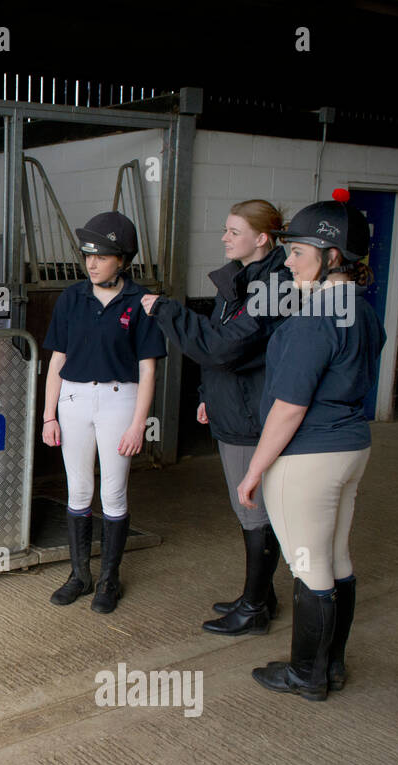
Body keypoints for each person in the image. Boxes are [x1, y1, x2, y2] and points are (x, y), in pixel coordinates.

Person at [234, 191, 384, 701]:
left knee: (308, 563)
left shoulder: (313, 314)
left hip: (310, 453)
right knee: (336, 557)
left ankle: (306, 675)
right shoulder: (361, 310)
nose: (290, 260)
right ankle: (332, 666)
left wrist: (254, 470)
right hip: (352, 446)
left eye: (299, 251)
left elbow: (289, 406)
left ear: (332, 256)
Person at [140, 200, 294, 636]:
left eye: (232, 231)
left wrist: (166, 311)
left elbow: (225, 346)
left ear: (261, 238)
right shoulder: (243, 280)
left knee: (254, 513)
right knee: (247, 508)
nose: (224, 238)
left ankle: (254, 609)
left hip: (252, 415)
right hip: (232, 405)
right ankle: (261, 593)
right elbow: (220, 340)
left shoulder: (274, 286)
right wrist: (207, 392)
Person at [42, 212, 167, 614]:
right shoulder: (71, 298)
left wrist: (138, 425)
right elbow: (57, 360)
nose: (92, 263)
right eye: (87, 256)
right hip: (74, 399)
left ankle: (109, 581)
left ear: (123, 260)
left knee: (113, 491)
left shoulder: (140, 301)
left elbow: (148, 369)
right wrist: (49, 415)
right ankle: (80, 575)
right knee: (78, 489)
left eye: (103, 256)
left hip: (120, 399)